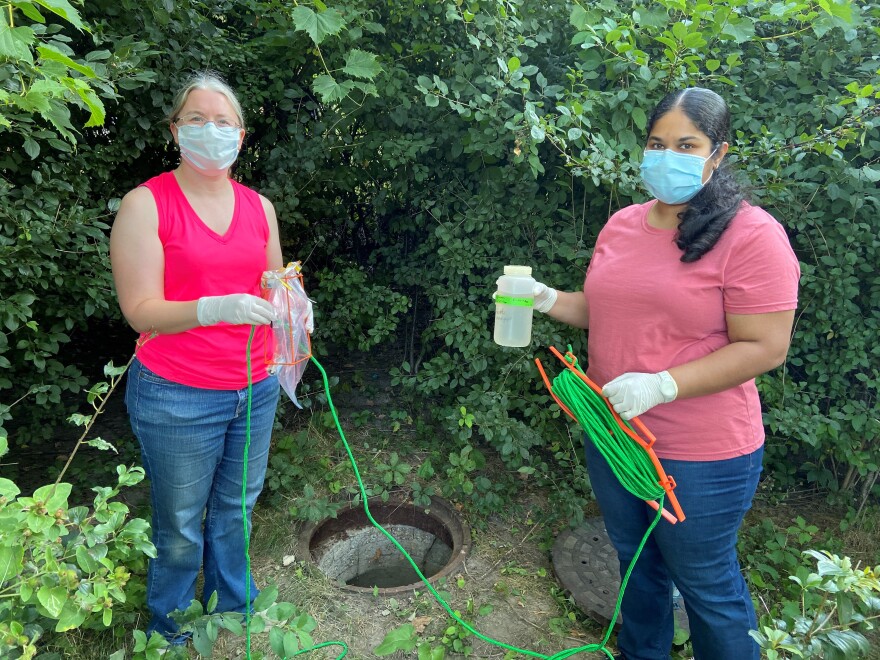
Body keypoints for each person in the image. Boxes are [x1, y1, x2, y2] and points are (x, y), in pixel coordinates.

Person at [531, 88, 800, 659]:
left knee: (706, 584)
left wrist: (663, 385)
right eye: (657, 143)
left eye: (686, 145)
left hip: (702, 454)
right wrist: (546, 297)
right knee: (635, 565)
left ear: (717, 154)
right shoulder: (625, 224)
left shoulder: (751, 236)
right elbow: (605, 311)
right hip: (615, 437)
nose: (667, 155)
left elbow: (766, 346)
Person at [110, 72, 283, 645]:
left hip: (255, 385)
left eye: (223, 121)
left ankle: (235, 605)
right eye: (197, 119)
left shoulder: (260, 207)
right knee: (181, 524)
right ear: (175, 130)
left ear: (241, 134)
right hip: (177, 393)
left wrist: (290, 310)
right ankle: (172, 628)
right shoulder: (145, 204)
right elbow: (141, 310)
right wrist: (214, 308)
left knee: (237, 507)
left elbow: (275, 285)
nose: (211, 131)